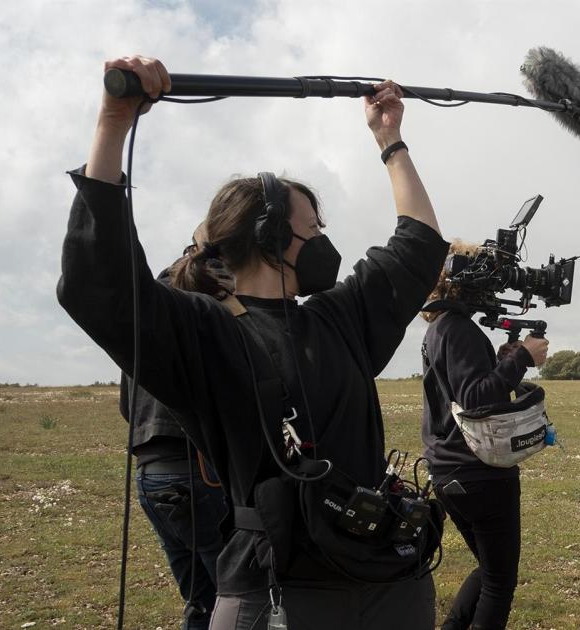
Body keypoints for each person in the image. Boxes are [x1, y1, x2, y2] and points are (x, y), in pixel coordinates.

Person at [59, 55, 449, 629]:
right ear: (270, 236)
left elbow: (418, 244)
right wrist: (113, 123)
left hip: (386, 579)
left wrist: (389, 139)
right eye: (313, 229)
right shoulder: (203, 329)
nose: (323, 242)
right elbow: (102, 285)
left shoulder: (337, 318)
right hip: (277, 594)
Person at [419, 241, 550, 630]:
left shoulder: (442, 327)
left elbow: (468, 386)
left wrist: (507, 360)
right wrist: (524, 357)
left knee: (490, 569)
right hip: (479, 472)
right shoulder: (458, 328)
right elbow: (476, 397)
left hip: (448, 470)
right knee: (499, 581)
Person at [121, 225, 234, 630]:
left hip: (149, 473)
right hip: (196, 470)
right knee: (238, 597)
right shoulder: (208, 302)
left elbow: (127, 406)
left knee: (199, 600)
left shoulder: (152, 301)